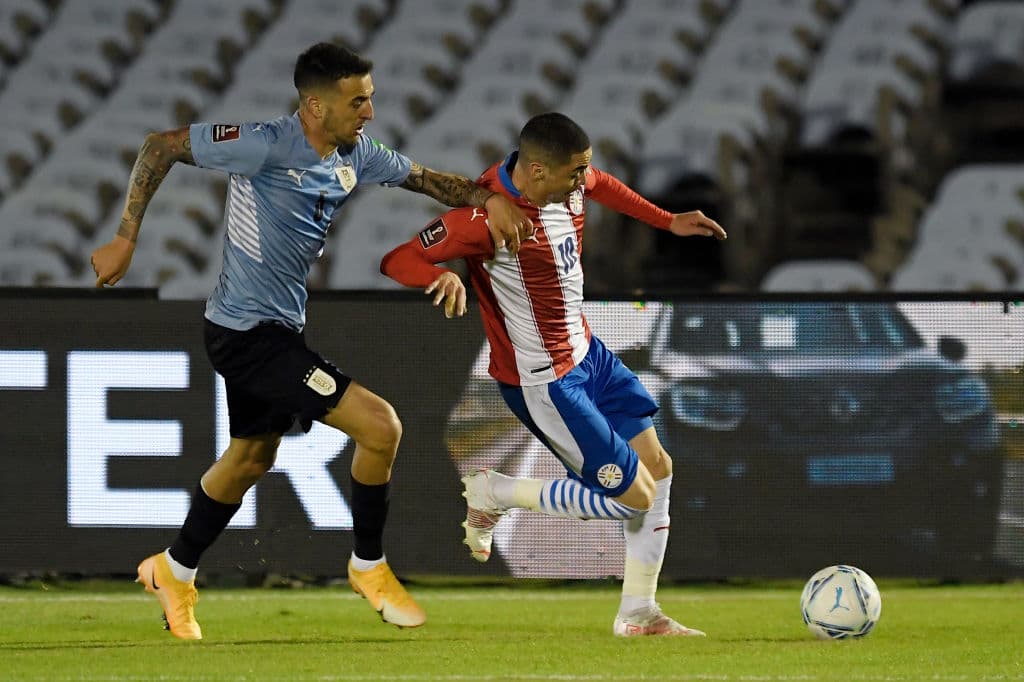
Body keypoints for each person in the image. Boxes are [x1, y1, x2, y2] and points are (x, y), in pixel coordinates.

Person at [89, 42, 533, 640]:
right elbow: (160, 146)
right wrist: (125, 238)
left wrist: (488, 199)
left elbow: (428, 180)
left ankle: (174, 569)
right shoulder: (265, 144)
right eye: (358, 101)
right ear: (315, 107)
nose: (369, 111)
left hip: (270, 328)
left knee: (250, 458)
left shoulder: (355, 153)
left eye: (370, 98)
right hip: (248, 336)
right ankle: (368, 567)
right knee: (382, 427)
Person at [380, 112, 727, 637]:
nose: (582, 181)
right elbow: (398, 259)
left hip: (588, 354)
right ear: (537, 170)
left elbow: (603, 184)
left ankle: (639, 613)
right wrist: (439, 275)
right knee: (630, 496)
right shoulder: (481, 218)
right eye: (573, 174)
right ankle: (496, 493)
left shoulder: (565, 183)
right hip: (543, 380)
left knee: (658, 466)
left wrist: (667, 220)